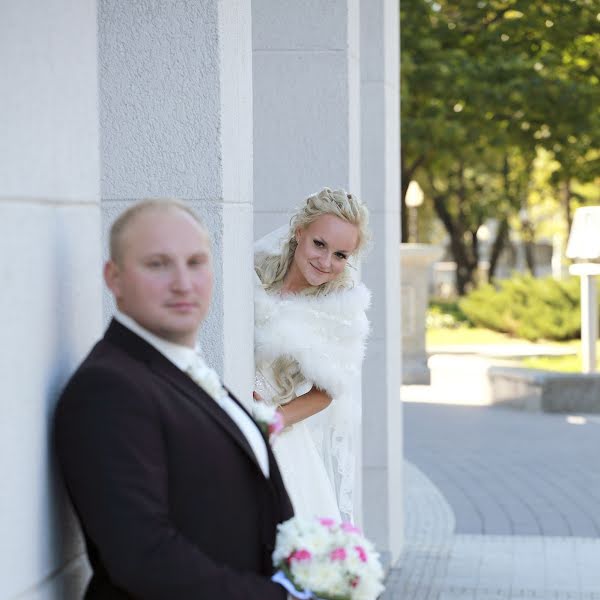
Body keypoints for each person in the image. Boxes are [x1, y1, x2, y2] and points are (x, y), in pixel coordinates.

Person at [54, 199, 293, 599]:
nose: (183, 283)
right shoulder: (107, 389)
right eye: (158, 264)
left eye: (196, 262)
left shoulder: (184, 371)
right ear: (114, 278)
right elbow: (144, 557)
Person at [253, 188, 371, 523]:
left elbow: (325, 394)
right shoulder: (254, 272)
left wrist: (270, 421)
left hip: (274, 431)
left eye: (341, 255)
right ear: (299, 231)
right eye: (319, 244)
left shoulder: (341, 312)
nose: (326, 262)